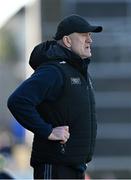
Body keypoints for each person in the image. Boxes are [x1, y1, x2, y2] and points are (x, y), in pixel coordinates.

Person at [7, 14, 102, 179]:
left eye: (90, 35)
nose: (89, 40)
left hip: (75, 168)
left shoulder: (79, 73)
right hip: (55, 167)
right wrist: (48, 131)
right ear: (67, 41)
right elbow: (18, 101)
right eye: (83, 35)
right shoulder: (54, 71)